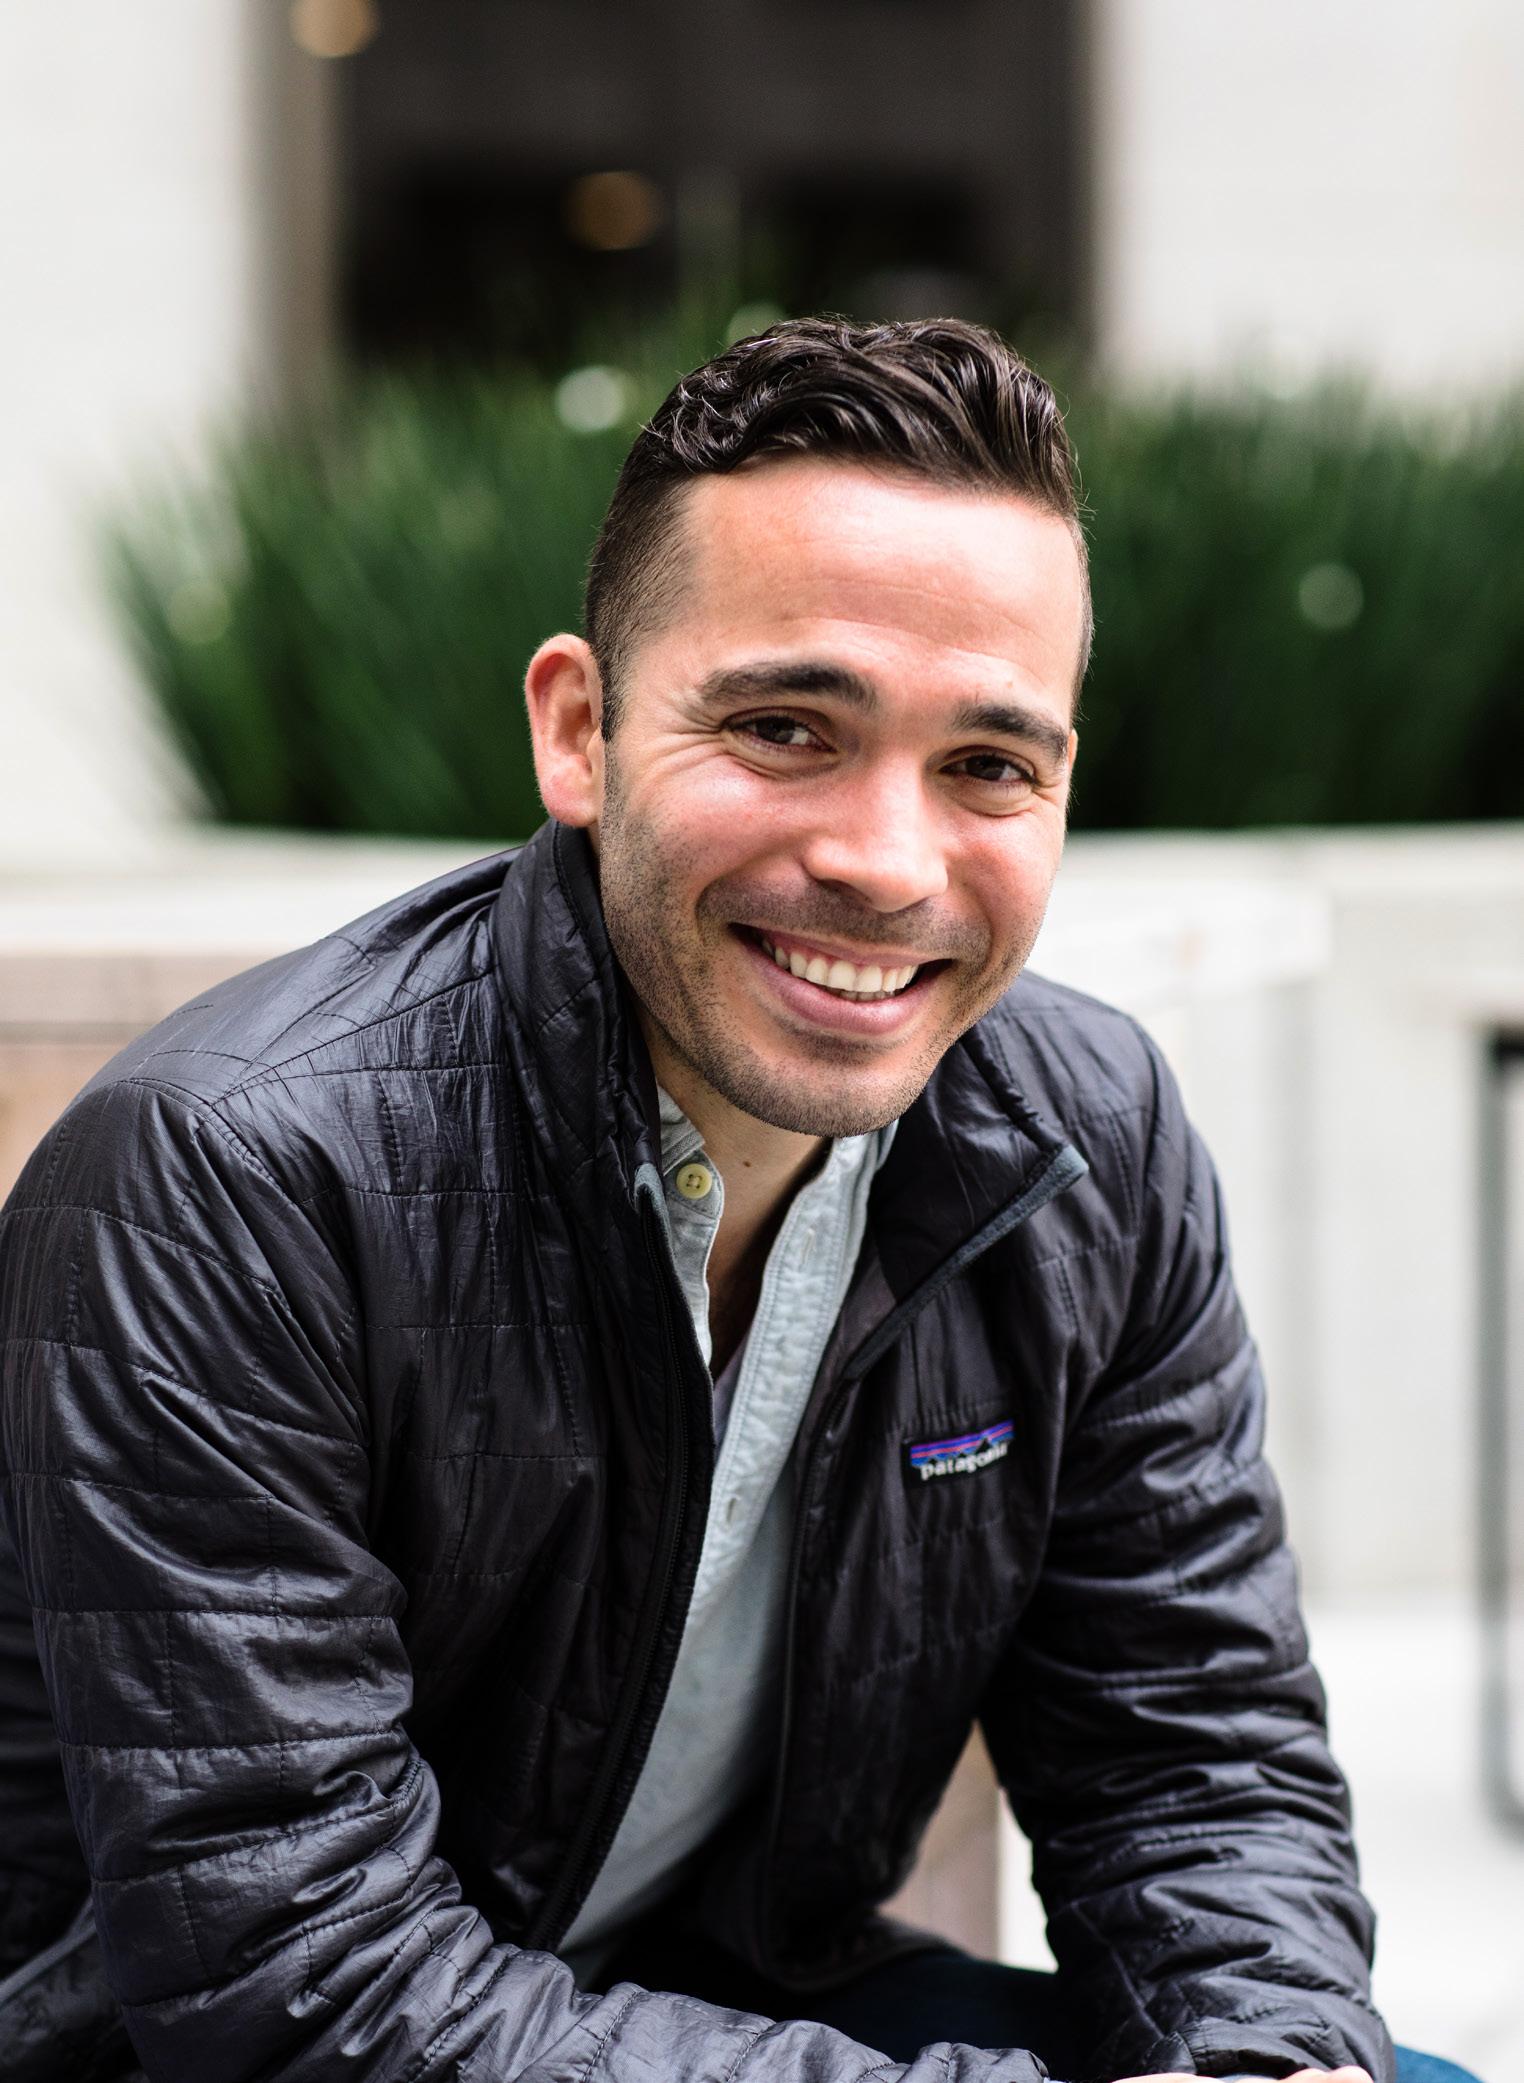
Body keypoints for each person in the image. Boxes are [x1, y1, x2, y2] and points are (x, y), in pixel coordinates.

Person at [0, 318, 1437, 2083]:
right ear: (579, 731)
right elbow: (301, 1988)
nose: (885, 863)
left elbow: (1190, 1756)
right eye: (783, 728)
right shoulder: (226, 1182)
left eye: (990, 765)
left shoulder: (1090, 1139)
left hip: (726, 1998)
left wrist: (1267, 2057)